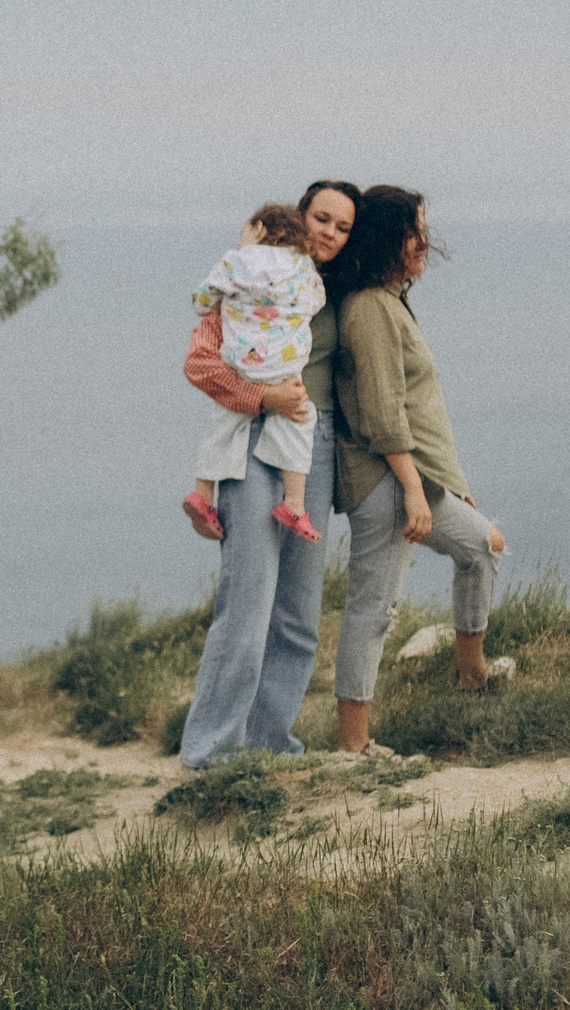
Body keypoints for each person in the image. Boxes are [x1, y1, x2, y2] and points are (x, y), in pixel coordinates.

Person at [174, 180, 360, 767]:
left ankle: (270, 746)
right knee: (248, 606)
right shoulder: (251, 280)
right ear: (299, 217)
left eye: (343, 226)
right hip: (256, 438)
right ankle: (211, 754)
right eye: (321, 218)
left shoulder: (335, 289)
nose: (330, 232)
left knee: (300, 614)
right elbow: (200, 363)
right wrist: (263, 402)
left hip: (316, 448)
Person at [327, 185, 505, 757]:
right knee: (373, 608)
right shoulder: (370, 310)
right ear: (389, 239)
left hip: (417, 480)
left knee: (482, 547)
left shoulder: (389, 300)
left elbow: (418, 412)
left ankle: (472, 679)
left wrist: (450, 489)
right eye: (415, 231)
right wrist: (414, 491)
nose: (424, 242)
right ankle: (354, 747)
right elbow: (383, 414)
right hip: (386, 483)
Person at [184, 203, 327, 544]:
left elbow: (202, 301)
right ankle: (294, 503)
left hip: (241, 362)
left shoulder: (236, 261)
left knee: (223, 424)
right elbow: (315, 302)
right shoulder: (303, 267)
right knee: (299, 422)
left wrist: (240, 252)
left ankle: (203, 492)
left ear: (257, 229)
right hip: (282, 366)